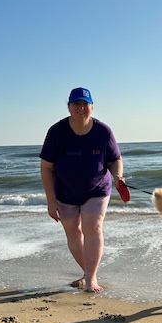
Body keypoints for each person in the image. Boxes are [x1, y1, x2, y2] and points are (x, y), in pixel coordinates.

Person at [39, 87, 125, 293]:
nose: (81, 108)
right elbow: (46, 168)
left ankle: (91, 278)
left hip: (97, 188)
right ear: (69, 107)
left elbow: (115, 160)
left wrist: (117, 175)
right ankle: (88, 271)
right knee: (73, 232)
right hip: (65, 192)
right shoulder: (56, 132)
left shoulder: (103, 131)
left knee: (93, 227)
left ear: (92, 107)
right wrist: (51, 201)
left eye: (85, 104)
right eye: (76, 104)